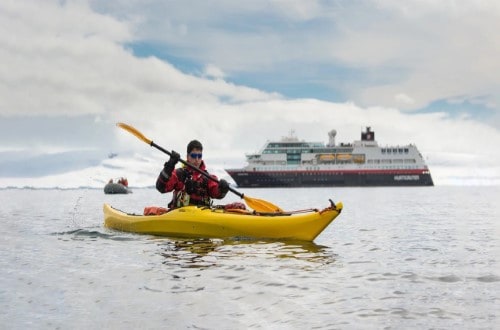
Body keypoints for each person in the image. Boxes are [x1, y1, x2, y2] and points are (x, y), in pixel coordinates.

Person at [155, 139, 229, 209]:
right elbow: (161, 187)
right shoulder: (178, 174)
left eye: (199, 156)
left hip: (201, 216)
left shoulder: (209, 178)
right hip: (180, 216)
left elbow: (216, 193)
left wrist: (222, 189)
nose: (197, 159)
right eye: (193, 156)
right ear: (187, 157)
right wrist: (169, 165)